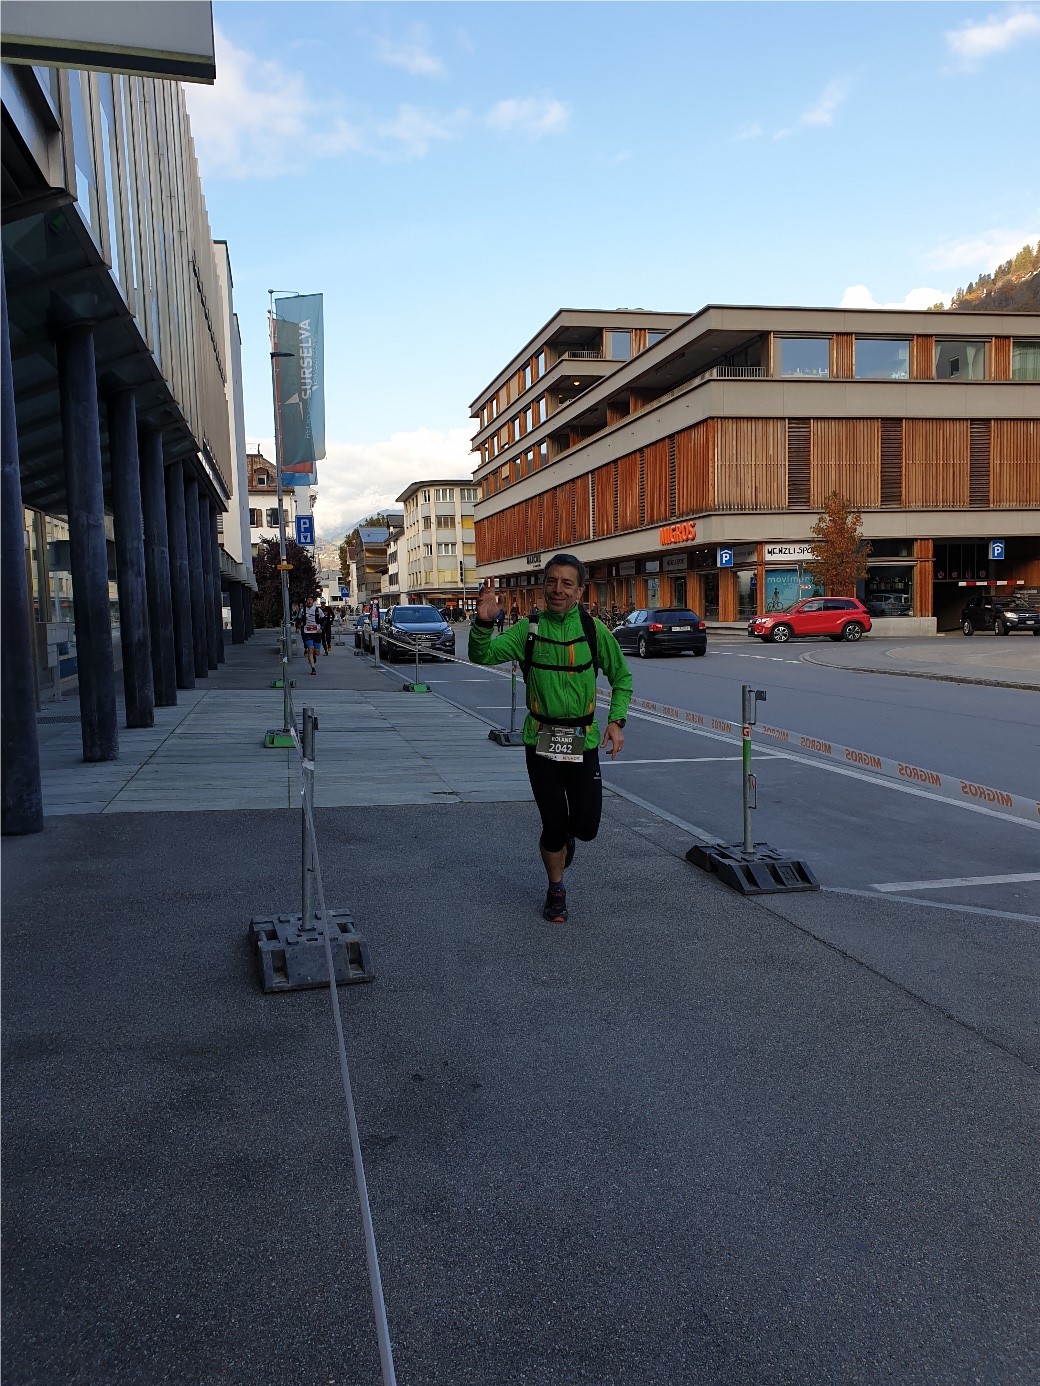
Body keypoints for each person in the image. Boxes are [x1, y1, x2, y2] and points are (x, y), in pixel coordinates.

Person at [469, 554, 632, 924]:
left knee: (586, 827)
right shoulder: (528, 629)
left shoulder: (593, 631)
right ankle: (556, 888)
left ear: (579, 590)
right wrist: (482, 622)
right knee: (553, 823)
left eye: (567, 583)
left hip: (583, 741)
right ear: (544, 585)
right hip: (540, 740)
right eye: (552, 581)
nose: (558, 589)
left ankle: (566, 841)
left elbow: (622, 678)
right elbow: (481, 654)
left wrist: (616, 721)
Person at [302, 599, 323, 674]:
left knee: (317, 653)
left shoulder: (317, 610)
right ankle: (313, 668)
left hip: (316, 632)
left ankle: (313, 654)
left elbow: (324, 619)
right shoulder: (303, 610)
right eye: (308, 600)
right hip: (307, 632)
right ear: (306, 602)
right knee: (310, 649)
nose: (309, 602)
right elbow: (298, 619)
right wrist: (298, 627)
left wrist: (321, 628)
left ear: (313, 601)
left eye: (311, 600)